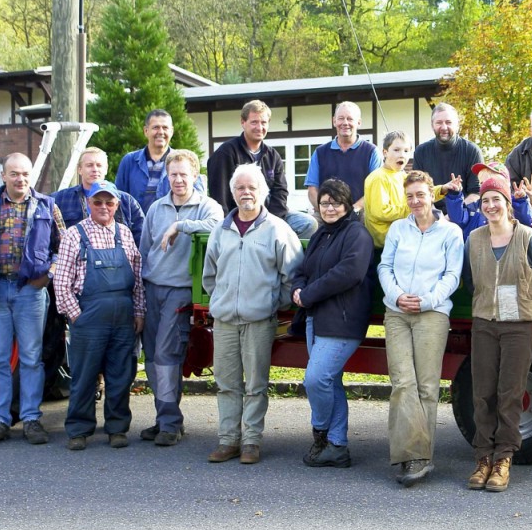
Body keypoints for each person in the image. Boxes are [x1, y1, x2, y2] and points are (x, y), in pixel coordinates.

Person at [461, 171, 532, 492]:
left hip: (520, 327)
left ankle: (503, 459)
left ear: (508, 203)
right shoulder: (474, 240)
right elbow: (468, 280)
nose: (491, 205)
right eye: (486, 200)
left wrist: (528, 302)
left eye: (497, 200)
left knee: (509, 394)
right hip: (484, 324)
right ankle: (482, 458)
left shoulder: (526, 237)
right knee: (482, 393)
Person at [0, 152, 66, 447]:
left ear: (32, 177)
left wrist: (49, 275)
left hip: (30, 292)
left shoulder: (47, 206)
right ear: (3, 176)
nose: (21, 179)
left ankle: (31, 419)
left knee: (32, 358)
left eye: (25, 174)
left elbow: (65, 246)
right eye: (15, 174)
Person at [203, 164, 304, 464]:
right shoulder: (221, 230)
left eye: (252, 188)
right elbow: (210, 276)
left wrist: (271, 304)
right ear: (232, 193)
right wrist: (223, 300)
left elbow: (293, 276)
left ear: (263, 191)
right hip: (224, 321)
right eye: (240, 188)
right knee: (227, 383)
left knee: (256, 385)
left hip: (259, 321)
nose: (246, 193)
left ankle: (251, 442)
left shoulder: (278, 229)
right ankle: (228, 440)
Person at [378, 169, 463, 487]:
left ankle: (421, 458)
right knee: (403, 382)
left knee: (427, 387)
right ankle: (407, 454)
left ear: (432, 194)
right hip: (397, 312)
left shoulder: (451, 232)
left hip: (432, 313)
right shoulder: (398, 229)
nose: (415, 201)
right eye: (410, 195)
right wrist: (397, 296)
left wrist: (426, 301)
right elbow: (384, 266)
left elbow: (453, 275)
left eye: (420, 194)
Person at [139, 149, 224, 446]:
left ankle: (170, 423)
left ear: (194, 176)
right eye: (172, 174)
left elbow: (218, 228)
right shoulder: (156, 208)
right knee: (151, 357)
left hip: (180, 291)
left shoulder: (206, 206)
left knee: (166, 356)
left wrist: (180, 226)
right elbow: (144, 250)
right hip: (152, 288)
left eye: (183, 175)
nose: (177, 180)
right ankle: (165, 417)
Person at [53, 180, 145, 451]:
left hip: (123, 319)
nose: (104, 207)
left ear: (117, 205)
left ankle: (117, 429)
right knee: (84, 377)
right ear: (88, 204)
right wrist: (76, 315)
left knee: (120, 375)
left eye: (109, 202)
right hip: (88, 319)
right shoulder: (74, 234)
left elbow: (138, 278)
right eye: (98, 202)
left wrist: (139, 311)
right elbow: (61, 282)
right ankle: (79, 430)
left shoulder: (125, 234)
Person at [292, 179, 374, 468]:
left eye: (335, 202)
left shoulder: (357, 234)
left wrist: (309, 293)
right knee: (331, 381)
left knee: (316, 379)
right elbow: (303, 269)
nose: (329, 207)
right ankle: (337, 446)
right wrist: (297, 289)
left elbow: (348, 273)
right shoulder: (320, 235)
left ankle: (320, 431)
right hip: (316, 318)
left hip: (342, 320)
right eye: (324, 202)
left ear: (348, 205)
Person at [206, 99, 317, 238]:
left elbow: (280, 192)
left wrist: (272, 222)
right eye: (254, 122)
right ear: (243, 122)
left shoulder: (272, 156)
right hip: (239, 216)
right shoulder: (226, 153)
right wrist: (230, 224)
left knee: (308, 223)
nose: (259, 127)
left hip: (269, 215)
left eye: (263, 122)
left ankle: (284, 257)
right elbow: (219, 196)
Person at [304, 101, 381, 218]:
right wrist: (326, 210)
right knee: (310, 225)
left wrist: (355, 209)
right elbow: (312, 190)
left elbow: (375, 191)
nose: (345, 123)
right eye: (341, 118)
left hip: (359, 213)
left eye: (350, 119)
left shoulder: (372, 152)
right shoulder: (320, 152)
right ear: (334, 121)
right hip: (326, 214)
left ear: (359, 122)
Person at [53, 147, 144, 244]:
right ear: (79, 169)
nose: (95, 169)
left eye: (99, 165)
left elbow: (142, 239)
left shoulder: (127, 202)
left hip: (117, 258)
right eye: (89, 165)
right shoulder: (60, 199)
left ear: (106, 169)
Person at [412, 102, 483, 212]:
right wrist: (435, 217)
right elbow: (418, 189)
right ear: (432, 125)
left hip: (464, 213)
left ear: (457, 125)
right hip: (430, 214)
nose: (444, 127)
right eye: (439, 122)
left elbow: (476, 193)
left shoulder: (472, 151)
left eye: (449, 122)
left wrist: (453, 215)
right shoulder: (421, 152)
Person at [115, 109, 177, 213]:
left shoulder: (182, 161)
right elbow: (118, 198)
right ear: (146, 131)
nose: (161, 132)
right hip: (135, 227)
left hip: (171, 227)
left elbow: (196, 199)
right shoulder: (130, 161)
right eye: (155, 127)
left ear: (171, 131)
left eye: (165, 128)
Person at [363, 130, 411, 248]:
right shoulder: (379, 178)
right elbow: (381, 211)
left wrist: (442, 190)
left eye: (406, 151)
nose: (402, 155)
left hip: (402, 236)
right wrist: (412, 209)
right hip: (384, 243)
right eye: (396, 150)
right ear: (385, 152)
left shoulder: (402, 175)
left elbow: (422, 192)